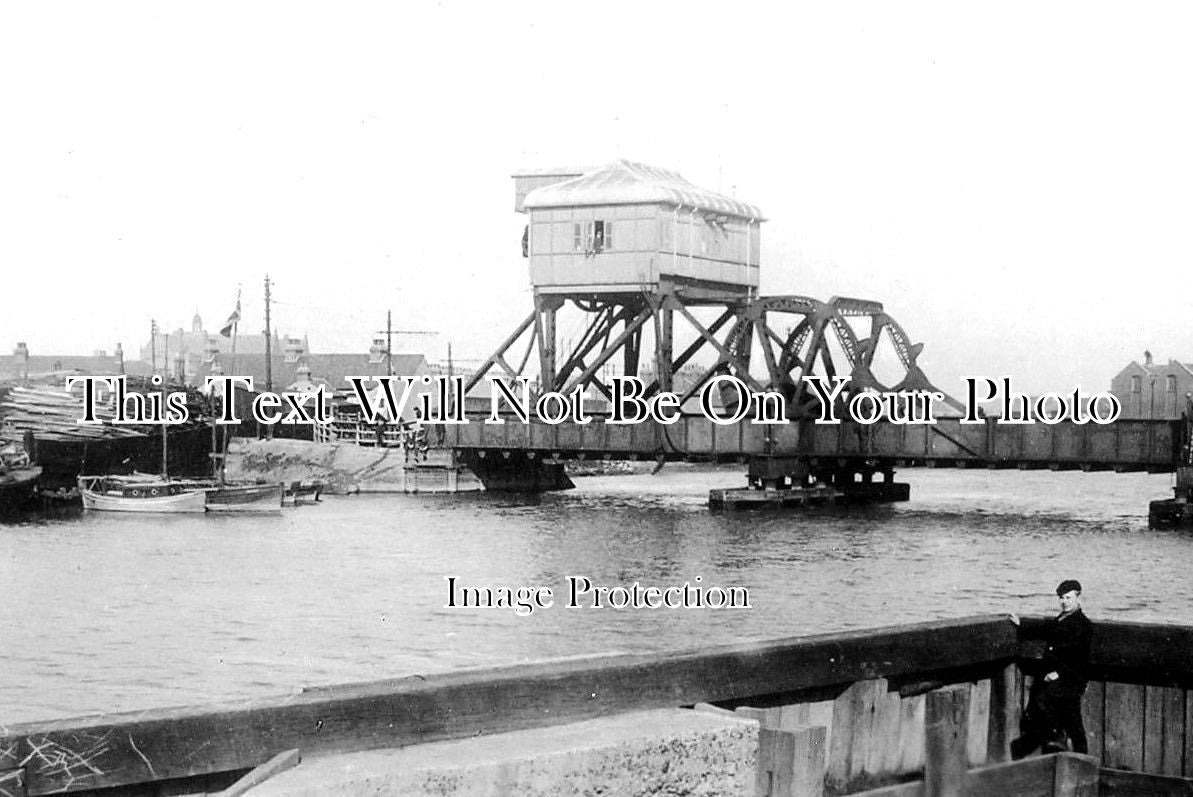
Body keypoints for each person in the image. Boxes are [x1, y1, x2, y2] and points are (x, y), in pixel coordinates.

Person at [1009, 579, 1093, 758]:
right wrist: (1021, 625)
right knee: (1070, 721)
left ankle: (1048, 741)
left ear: (1078, 598)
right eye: (1061, 598)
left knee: (1044, 704)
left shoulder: (1082, 625)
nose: (1064, 602)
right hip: (1056, 679)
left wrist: (1059, 673)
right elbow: (1044, 630)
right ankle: (1024, 749)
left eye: (1068, 598)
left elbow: (1079, 659)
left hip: (1069, 680)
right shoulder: (1062, 619)